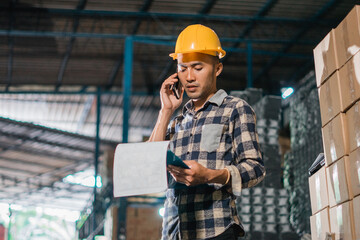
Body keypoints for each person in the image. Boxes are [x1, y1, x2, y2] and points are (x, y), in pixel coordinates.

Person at [148, 24, 266, 240]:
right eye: (182, 68)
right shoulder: (177, 121)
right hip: (174, 232)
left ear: (217, 68)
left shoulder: (235, 109)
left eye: (198, 67)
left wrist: (210, 175)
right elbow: (148, 165)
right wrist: (165, 111)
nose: (189, 77)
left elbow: (256, 169)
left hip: (216, 231)